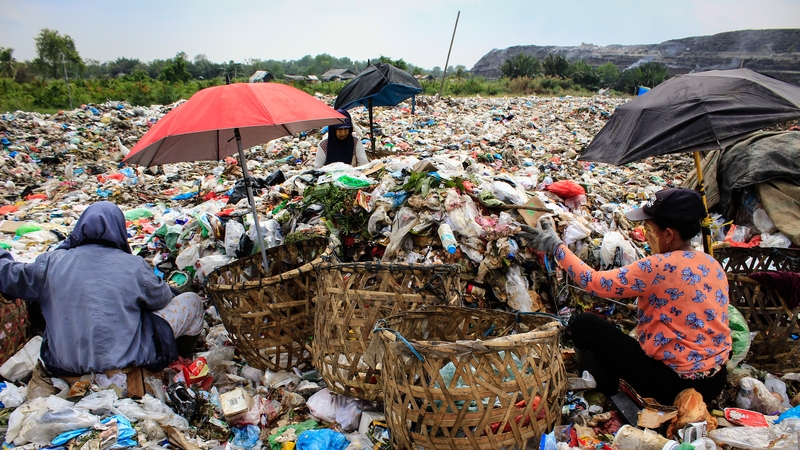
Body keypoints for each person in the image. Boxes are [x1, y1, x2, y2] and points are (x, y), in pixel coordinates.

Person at [520, 187, 731, 404]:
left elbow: (595, 283)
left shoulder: (657, 267)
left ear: (668, 234)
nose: (646, 236)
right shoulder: (712, 264)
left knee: (584, 324)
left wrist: (557, 248)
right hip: (714, 381)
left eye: (648, 229)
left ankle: (604, 391)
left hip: (673, 386)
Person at [0, 201, 203, 376]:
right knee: (192, 301)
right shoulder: (133, 265)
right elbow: (161, 300)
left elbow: (9, 276)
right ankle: (180, 359)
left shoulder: (51, 262)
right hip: (128, 361)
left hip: (64, 365)